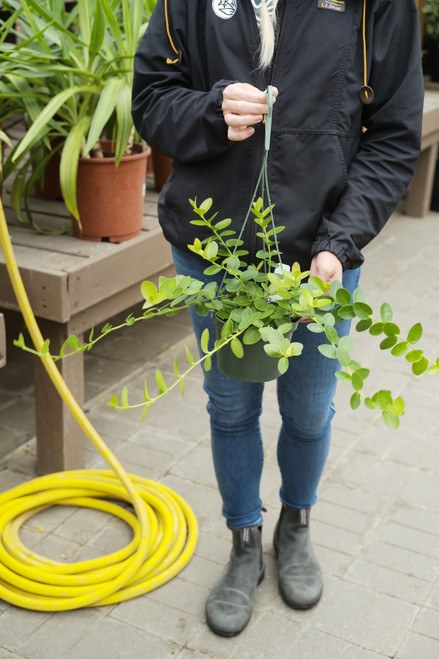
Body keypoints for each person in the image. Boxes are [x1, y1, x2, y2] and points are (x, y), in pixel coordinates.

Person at [132, 0, 423, 637]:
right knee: (230, 407)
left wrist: (338, 241)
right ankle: (243, 540)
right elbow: (151, 100)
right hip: (216, 255)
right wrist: (212, 111)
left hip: (322, 256)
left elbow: (395, 135)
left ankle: (296, 526)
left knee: (310, 410)